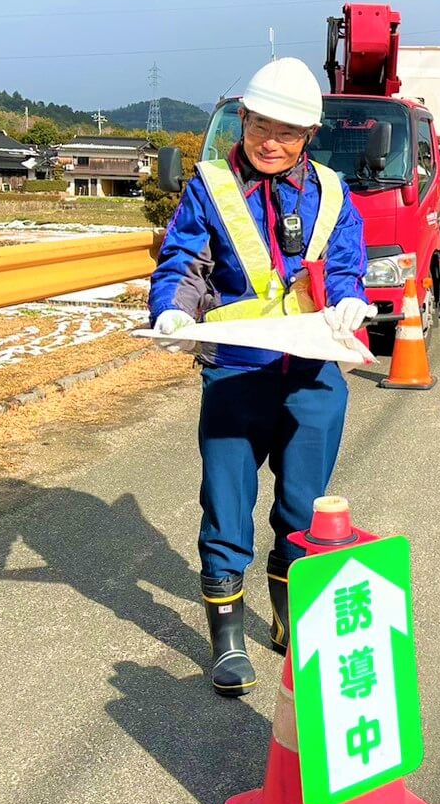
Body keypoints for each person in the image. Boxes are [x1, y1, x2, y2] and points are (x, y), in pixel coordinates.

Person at [148, 57, 373, 696]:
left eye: (288, 132)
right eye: (260, 127)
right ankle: (226, 641)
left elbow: (347, 258)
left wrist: (349, 296)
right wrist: (171, 310)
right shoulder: (211, 186)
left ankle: (287, 621)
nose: (271, 143)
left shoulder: (331, 190)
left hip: (313, 375)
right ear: (241, 122)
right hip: (236, 373)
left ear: (309, 136)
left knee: (303, 508)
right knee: (226, 506)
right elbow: (184, 260)